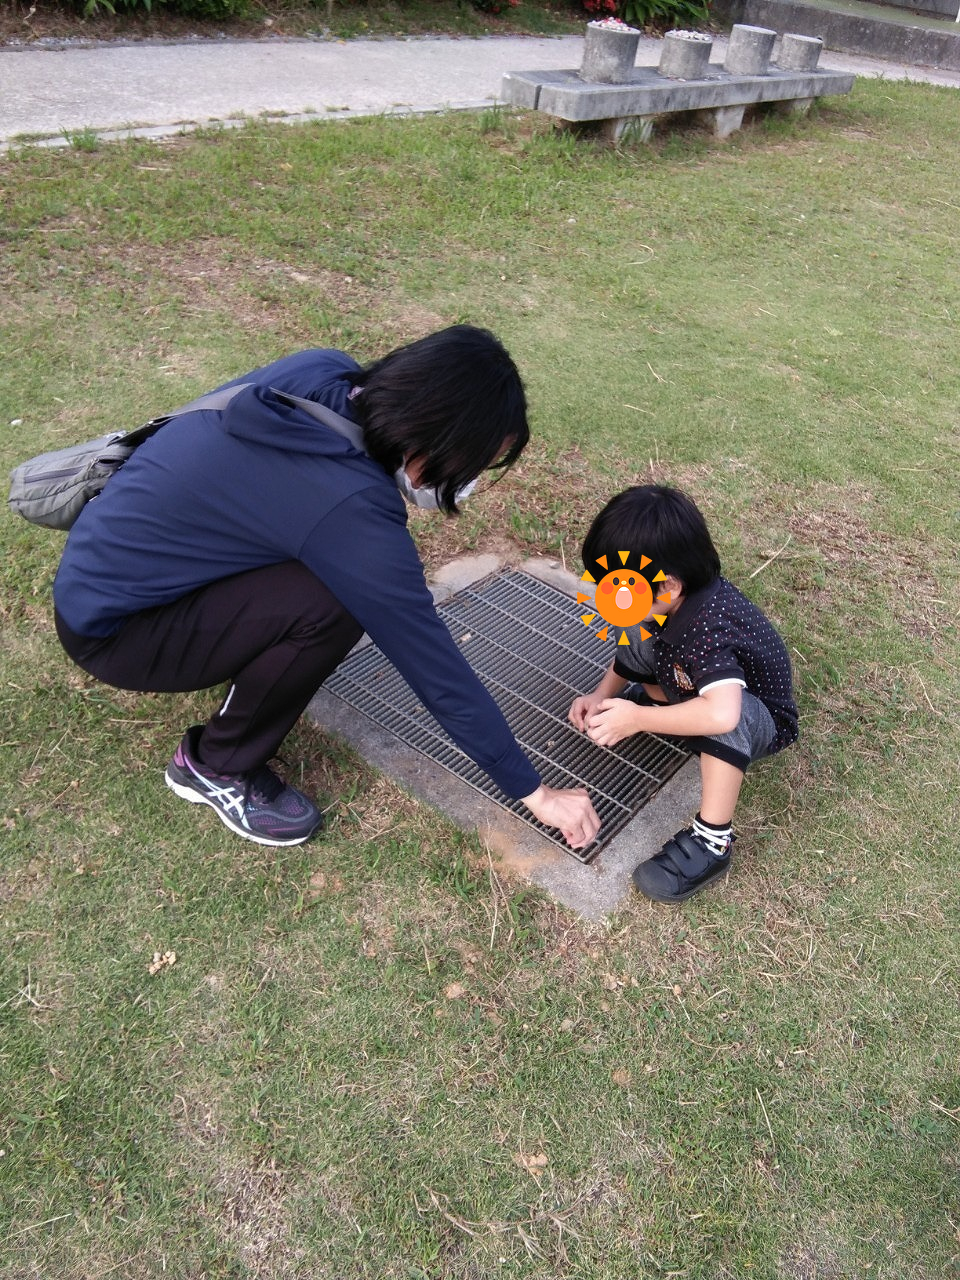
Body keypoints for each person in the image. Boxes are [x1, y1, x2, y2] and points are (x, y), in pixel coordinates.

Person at [53, 325, 600, 851]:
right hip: (120, 634)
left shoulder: (326, 371)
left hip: (100, 576)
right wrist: (536, 792)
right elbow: (434, 666)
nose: (471, 479)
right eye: (474, 462)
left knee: (333, 575)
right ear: (438, 439)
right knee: (335, 601)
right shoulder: (350, 508)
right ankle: (215, 767)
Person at [568, 485, 797, 903]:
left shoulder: (709, 625)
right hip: (691, 685)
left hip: (757, 720)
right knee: (638, 629)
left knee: (725, 717)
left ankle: (712, 842)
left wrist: (637, 719)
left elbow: (724, 715)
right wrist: (601, 695)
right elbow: (634, 645)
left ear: (668, 587)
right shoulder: (668, 602)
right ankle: (662, 709)